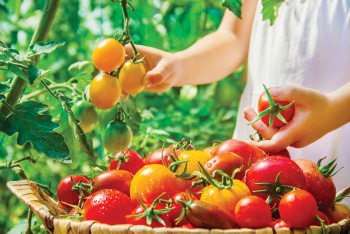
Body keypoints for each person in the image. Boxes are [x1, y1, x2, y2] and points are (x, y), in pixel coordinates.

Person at [126, 0, 350, 201]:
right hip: (257, 156)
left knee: (331, 209)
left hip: (340, 141)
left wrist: (333, 111)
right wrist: (178, 64)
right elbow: (233, 37)